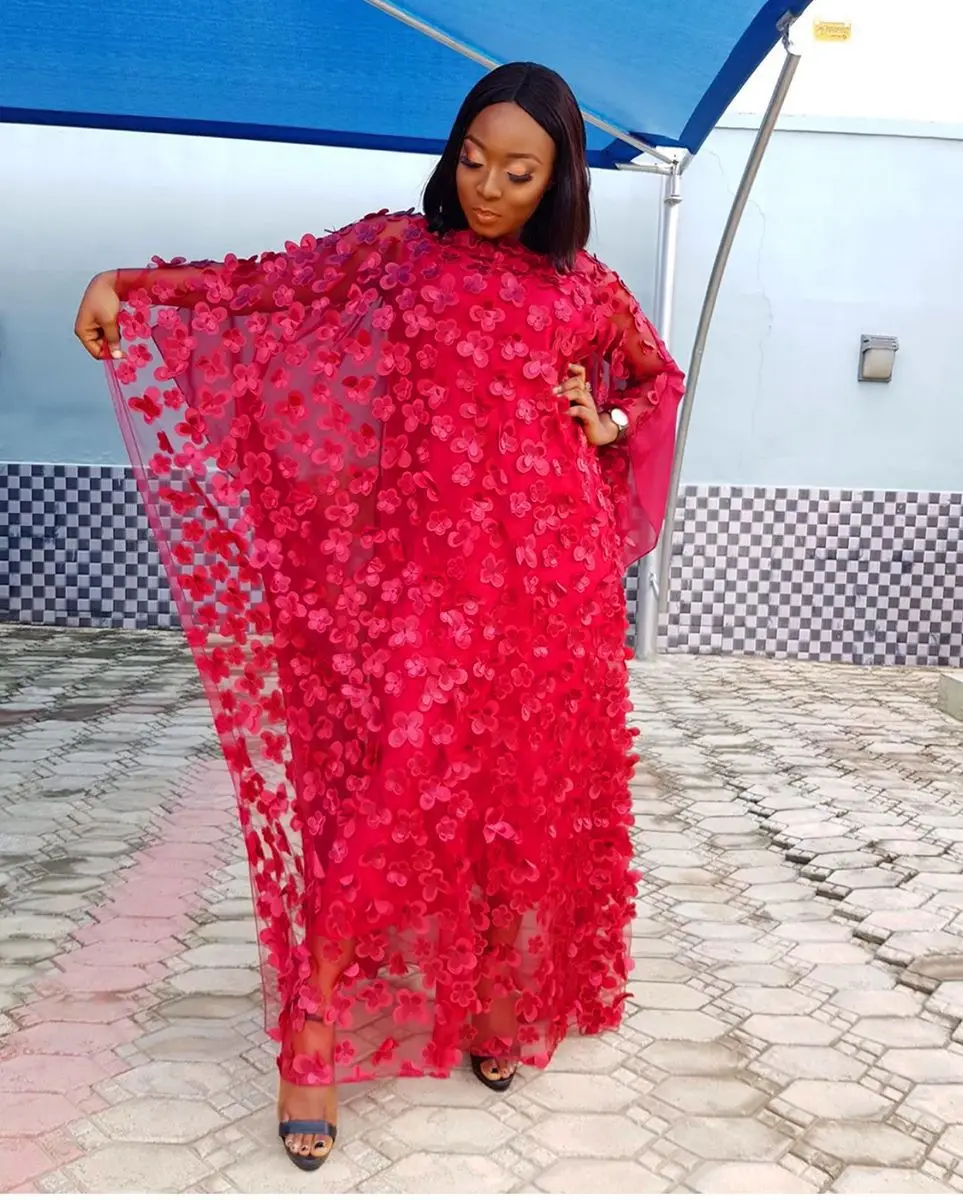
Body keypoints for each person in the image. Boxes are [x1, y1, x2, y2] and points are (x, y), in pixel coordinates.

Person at [74, 61, 684, 1171]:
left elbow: (656, 378)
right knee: (388, 793)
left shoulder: (584, 289)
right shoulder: (396, 254)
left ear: (559, 180)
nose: (489, 187)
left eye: (518, 172)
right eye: (474, 160)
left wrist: (605, 420)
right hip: (420, 588)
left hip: (550, 590)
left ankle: (498, 1004)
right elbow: (264, 288)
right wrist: (130, 283)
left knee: (519, 792)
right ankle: (312, 1032)